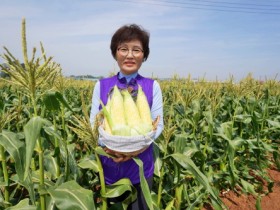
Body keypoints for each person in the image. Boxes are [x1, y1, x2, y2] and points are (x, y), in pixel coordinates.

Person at [90, 23, 164, 210]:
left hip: (141, 169)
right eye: (123, 49)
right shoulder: (101, 86)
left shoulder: (152, 86)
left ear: (144, 55)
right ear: (115, 53)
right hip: (110, 168)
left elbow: (158, 124)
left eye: (136, 50)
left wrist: (134, 150)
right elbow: (94, 125)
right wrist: (114, 150)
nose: (130, 55)